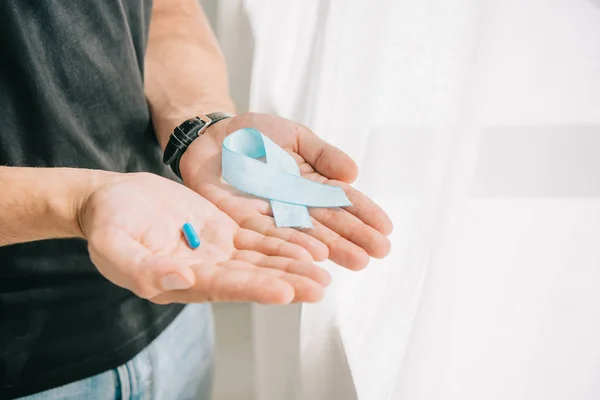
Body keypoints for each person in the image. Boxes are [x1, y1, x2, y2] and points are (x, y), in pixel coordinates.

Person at [0, 0, 392, 399]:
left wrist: (197, 126)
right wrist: (75, 201)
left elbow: (165, 12)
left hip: (178, 306)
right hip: (25, 362)